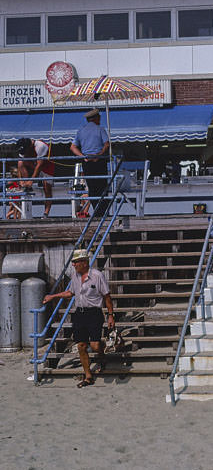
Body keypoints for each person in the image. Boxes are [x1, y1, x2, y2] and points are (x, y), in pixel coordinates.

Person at [42, 248, 114, 388]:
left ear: (85, 262)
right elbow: (71, 293)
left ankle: (101, 354)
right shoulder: (75, 276)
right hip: (79, 314)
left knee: (95, 345)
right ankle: (88, 376)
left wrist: (111, 315)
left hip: (94, 313)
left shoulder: (97, 276)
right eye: (73, 262)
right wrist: (53, 296)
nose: (73, 265)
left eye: (76, 262)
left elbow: (107, 297)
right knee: (81, 346)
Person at [70, 109, 110, 219]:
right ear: (96, 118)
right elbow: (106, 145)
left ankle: (97, 211)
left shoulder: (81, 131)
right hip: (99, 161)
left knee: (92, 187)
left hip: (87, 162)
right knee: (102, 187)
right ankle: (101, 212)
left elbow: (72, 147)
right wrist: (100, 154)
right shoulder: (100, 129)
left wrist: (82, 156)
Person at [16, 137, 55, 218]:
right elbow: (19, 164)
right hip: (34, 165)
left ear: (30, 146)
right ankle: (26, 185)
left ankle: (46, 213)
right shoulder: (23, 149)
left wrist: (31, 180)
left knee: (47, 188)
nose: (24, 153)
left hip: (46, 167)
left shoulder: (40, 146)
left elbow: (39, 165)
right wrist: (20, 180)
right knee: (21, 162)